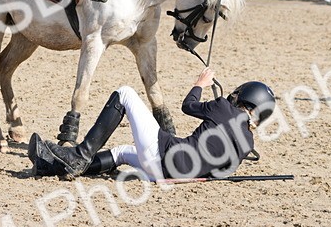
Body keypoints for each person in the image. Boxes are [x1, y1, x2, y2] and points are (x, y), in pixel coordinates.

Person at [28, 68, 276, 182]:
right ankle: (53, 167)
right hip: (168, 173)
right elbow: (214, 175)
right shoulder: (247, 145)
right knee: (122, 153)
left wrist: (200, 83)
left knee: (125, 93)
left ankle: (79, 156)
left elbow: (188, 105)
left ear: (243, 98)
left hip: (162, 154)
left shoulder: (223, 107)